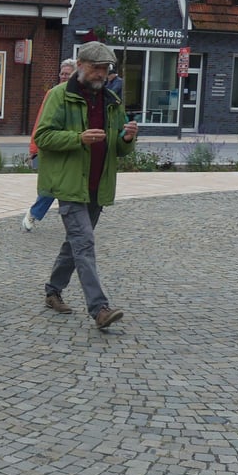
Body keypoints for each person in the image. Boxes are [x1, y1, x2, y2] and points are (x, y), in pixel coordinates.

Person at [34, 41, 138, 329]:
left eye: (105, 69)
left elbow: (116, 147)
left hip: (97, 186)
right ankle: (100, 308)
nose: (101, 74)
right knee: (85, 243)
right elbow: (43, 137)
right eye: (96, 68)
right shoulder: (59, 96)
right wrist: (78, 139)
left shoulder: (111, 101)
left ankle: (53, 291)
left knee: (75, 244)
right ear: (80, 65)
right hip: (69, 184)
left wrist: (127, 139)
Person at [22, 58, 76, 231]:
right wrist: (34, 148)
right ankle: (33, 214)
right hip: (52, 147)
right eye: (62, 73)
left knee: (70, 186)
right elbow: (40, 121)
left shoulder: (80, 95)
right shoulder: (53, 94)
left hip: (73, 147)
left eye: (68, 74)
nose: (64, 76)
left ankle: (77, 222)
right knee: (52, 186)